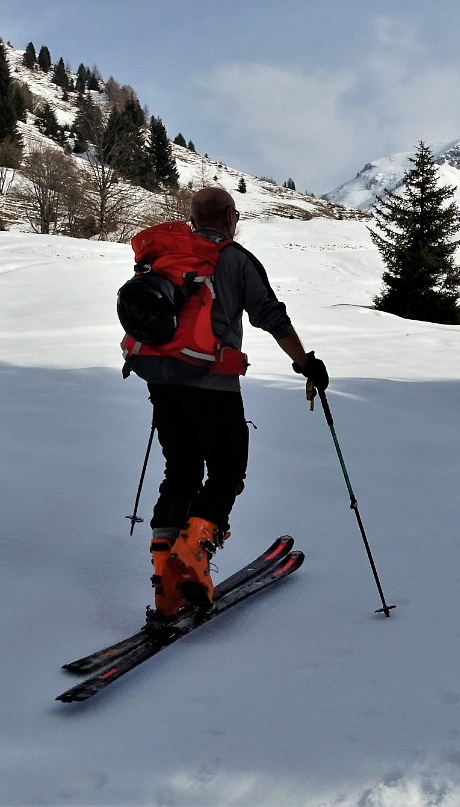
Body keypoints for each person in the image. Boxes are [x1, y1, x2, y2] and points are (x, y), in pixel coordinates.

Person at [123, 186, 328, 622]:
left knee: (180, 470)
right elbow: (270, 316)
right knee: (227, 470)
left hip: (161, 378)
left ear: (194, 218)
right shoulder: (235, 258)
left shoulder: (164, 256)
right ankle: (194, 553)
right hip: (213, 383)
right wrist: (305, 362)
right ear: (231, 217)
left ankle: (167, 583)